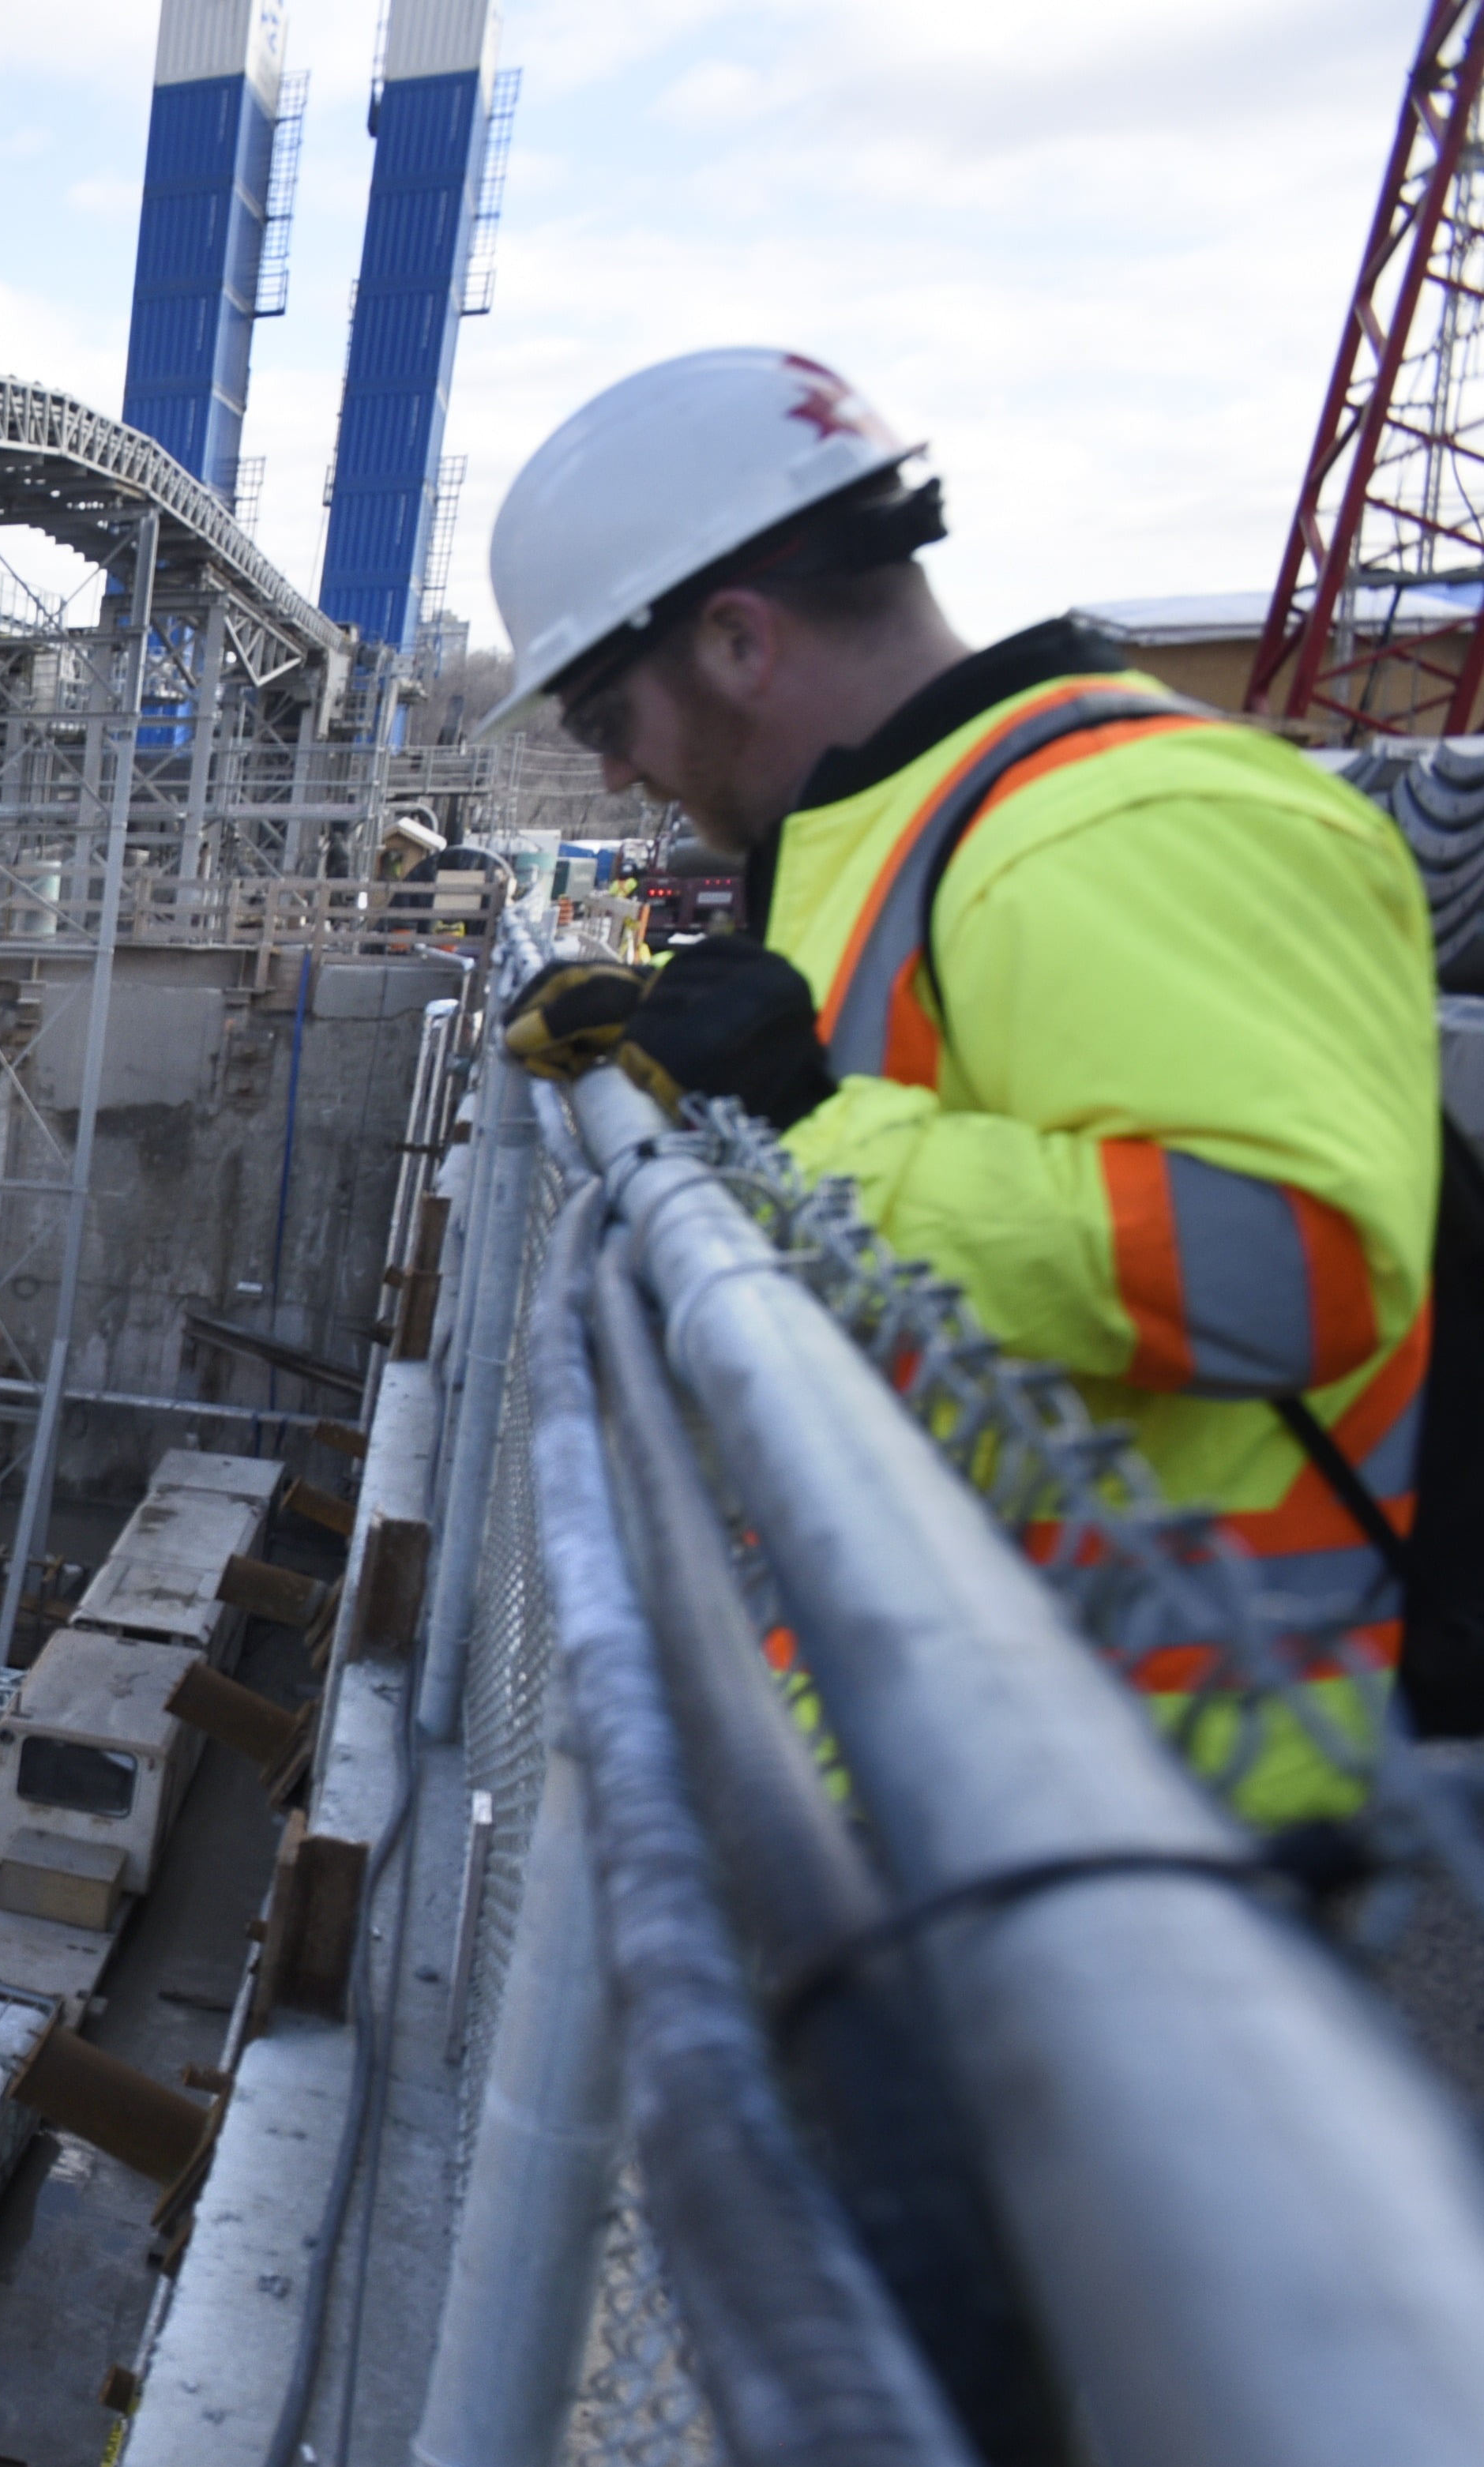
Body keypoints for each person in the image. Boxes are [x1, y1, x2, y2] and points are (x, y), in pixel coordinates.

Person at [487, 346, 1437, 1823]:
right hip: (971, 1758)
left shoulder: (1128, 818)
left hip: (1180, 1816)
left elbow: (1281, 1262)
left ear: (736, 641)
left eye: (608, 720)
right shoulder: (904, 829)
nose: (613, 780)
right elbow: (940, 1122)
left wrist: (796, 1128)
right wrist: (687, 1065)